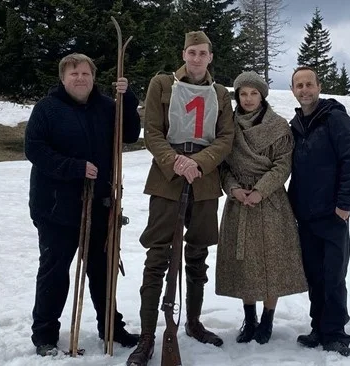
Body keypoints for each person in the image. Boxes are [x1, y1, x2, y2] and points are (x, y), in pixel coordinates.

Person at [126, 31, 234, 366]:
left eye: (202, 53)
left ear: (210, 57)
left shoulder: (220, 94)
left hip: (204, 180)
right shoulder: (162, 84)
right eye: (191, 52)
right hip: (166, 179)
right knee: (158, 254)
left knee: (197, 252)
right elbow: (153, 131)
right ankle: (147, 336)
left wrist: (198, 163)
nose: (197, 58)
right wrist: (176, 162)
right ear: (183, 54)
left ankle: (193, 322)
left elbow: (226, 136)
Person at [24, 53, 141, 356]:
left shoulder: (106, 107)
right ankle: (45, 334)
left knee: (103, 271)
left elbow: (129, 134)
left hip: (100, 204)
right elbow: (34, 149)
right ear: (63, 78)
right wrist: (74, 167)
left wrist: (127, 98)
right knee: (55, 270)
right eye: (73, 73)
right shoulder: (47, 109)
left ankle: (110, 328)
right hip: (56, 207)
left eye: (85, 73)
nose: (80, 78)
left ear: (93, 77)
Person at [215, 71, 307, 345]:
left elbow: (283, 164)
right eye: (243, 93)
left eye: (254, 93)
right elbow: (223, 165)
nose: (248, 98)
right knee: (244, 264)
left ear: (262, 95)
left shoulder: (278, 126)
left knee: (271, 263)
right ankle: (250, 318)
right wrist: (233, 189)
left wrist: (260, 191)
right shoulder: (227, 126)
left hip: (270, 203)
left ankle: (267, 319)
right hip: (239, 202)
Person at [288, 66, 350, 357]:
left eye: (309, 84)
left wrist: (344, 204)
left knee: (333, 275)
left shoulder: (335, 119)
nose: (304, 89)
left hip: (333, 214)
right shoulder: (295, 125)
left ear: (319, 87)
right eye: (299, 85)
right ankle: (318, 327)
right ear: (293, 90)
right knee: (314, 274)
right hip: (305, 214)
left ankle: (335, 333)